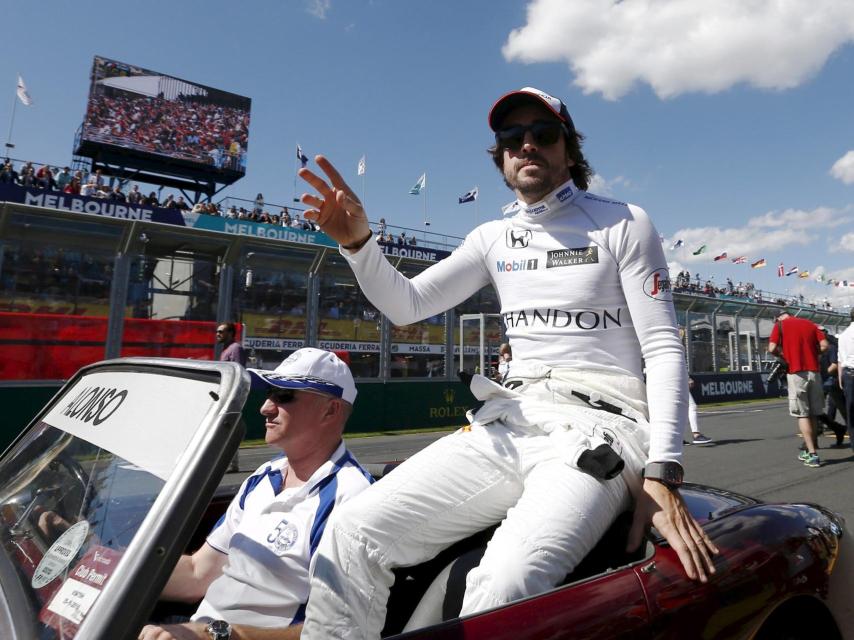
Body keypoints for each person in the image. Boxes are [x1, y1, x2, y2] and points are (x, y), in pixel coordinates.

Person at [297, 86, 716, 639]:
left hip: (602, 428)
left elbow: (663, 346)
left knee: (503, 585)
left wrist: (663, 469)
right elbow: (408, 306)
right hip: (507, 420)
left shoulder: (623, 222)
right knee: (351, 532)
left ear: (569, 150)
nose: (527, 145)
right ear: (499, 157)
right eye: (511, 138)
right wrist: (358, 246)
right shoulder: (490, 237)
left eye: (543, 134)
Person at [138, 349, 373, 640]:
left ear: (331, 410)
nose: (265, 407)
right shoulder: (263, 476)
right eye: (269, 393)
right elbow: (199, 572)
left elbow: (332, 631)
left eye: (284, 396)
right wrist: (105, 565)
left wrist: (213, 635)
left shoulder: (352, 497)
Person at [768, 310, 828, 467]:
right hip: (814, 372)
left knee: (802, 414)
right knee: (814, 414)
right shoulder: (809, 324)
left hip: (796, 372)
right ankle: (810, 450)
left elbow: (771, 348)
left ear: (778, 317)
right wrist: (814, 354)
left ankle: (813, 454)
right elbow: (824, 345)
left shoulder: (780, 326)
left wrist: (784, 354)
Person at [818, 331, 847, 446]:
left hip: (830, 380)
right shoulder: (820, 349)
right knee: (828, 405)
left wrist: (823, 374)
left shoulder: (831, 348)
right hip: (825, 380)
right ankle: (836, 427)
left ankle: (836, 427)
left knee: (836, 405)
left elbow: (834, 364)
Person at [838, 309, 854, 449]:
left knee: (851, 411)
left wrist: (840, 379)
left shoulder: (843, 335)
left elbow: (840, 360)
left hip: (848, 374)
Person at [684, 377, 712, 445]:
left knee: (677, 410)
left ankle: (677, 439)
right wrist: (688, 378)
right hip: (673, 382)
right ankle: (696, 435)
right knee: (692, 406)